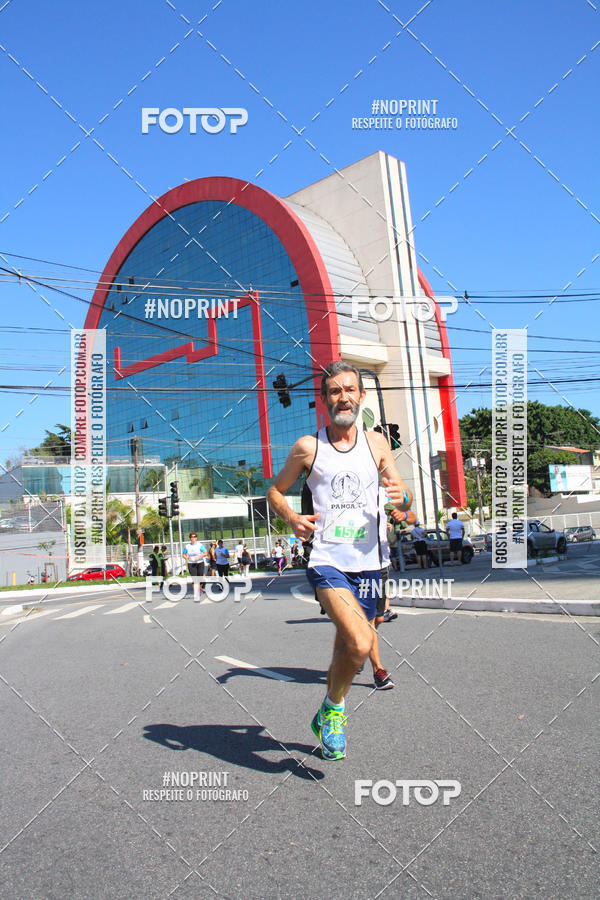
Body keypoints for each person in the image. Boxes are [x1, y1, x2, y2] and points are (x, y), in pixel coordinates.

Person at [267, 360, 413, 760]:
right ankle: (333, 710)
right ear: (325, 399)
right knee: (362, 641)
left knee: (346, 644)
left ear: (361, 397)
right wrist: (293, 518)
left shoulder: (378, 444)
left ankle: (329, 707)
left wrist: (404, 501)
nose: (343, 397)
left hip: (372, 563)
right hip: (328, 559)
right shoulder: (308, 447)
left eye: (350, 390)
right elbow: (275, 492)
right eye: (335, 391)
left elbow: (403, 494)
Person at [183, 532, 207, 602]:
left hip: (200, 563)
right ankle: (196, 594)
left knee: (199, 578)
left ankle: (199, 588)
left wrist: (199, 556)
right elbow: (183, 554)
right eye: (191, 537)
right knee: (194, 579)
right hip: (191, 563)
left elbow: (205, 553)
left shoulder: (200, 545)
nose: (193, 538)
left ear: (196, 538)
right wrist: (187, 558)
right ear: (190, 538)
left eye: (194, 537)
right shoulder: (187, 546)